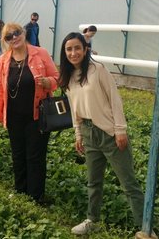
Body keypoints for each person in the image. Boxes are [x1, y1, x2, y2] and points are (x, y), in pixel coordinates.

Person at [58, 32, 144, 235]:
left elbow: (115, 100)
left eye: (77, 48)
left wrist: (120, 130)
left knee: (128, 183)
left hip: (109, 133)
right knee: (94, 182)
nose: (73, 52)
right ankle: (92, 219)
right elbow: (74, 108)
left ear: (86, 49)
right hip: (88, 134)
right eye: (69, 49)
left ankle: (144, 226)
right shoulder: (68, 76)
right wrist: (78, 134)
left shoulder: (98, 70)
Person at [0, 22, 59, 203]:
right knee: (18, 155)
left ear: (24, 32)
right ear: (4, 41)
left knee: (35, 157)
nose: (14, 37)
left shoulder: (40, 53)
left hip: (37, 117)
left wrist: (48, 82)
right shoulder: (3, 60)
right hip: (13, 118)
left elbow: (57, 78)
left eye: (17, 33)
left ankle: (35, 197)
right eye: (8, 36)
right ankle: (21, 193)